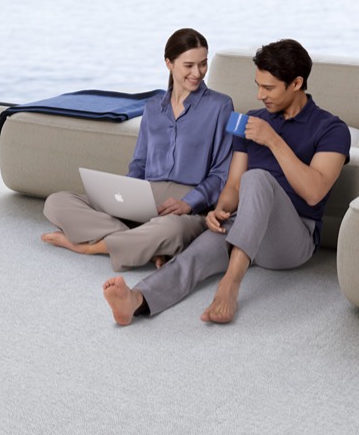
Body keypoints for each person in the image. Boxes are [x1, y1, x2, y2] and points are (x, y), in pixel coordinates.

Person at [103, 39, 350, 325]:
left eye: (268, 88)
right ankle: (136, 301)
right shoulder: (249, 121)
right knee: (193, 256)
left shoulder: (332, 129)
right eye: (257, 85)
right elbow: (232, 186)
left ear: (296, 83)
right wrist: (219, 209)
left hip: (292, 239)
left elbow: (314, 192)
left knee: (257, 178)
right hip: (242, 222)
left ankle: (230, 285)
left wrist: (272, 139)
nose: (259, 96)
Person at [41, 28, 234, 271]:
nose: (198, 73)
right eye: (189, 65)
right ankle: (143, 241)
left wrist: (189, 202)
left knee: (171, 230)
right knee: (57, 202)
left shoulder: (220, 106)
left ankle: (93, 246)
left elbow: (221, 173)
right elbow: (139, 163)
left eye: (203, 64)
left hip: (187, 205)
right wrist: (122, 196)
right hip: (144, 197)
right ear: (169, 63)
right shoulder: (153, 107)